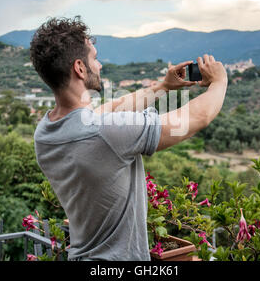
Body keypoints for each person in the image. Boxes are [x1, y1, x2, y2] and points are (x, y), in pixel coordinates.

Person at [30, 16, 228, 261]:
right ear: (80, 68)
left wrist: (163, 87)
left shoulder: (45, 132)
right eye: (94, 58)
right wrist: (219, 81)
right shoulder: (104, 132)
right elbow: (198, 116)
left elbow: (109, 110)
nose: (99, 65)